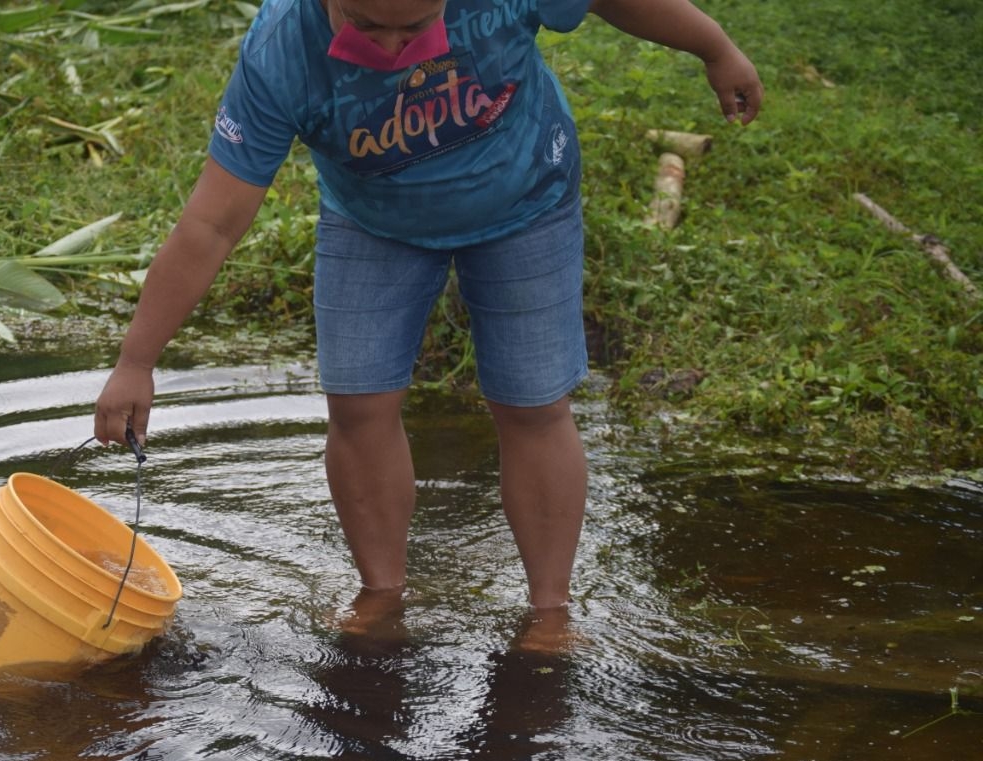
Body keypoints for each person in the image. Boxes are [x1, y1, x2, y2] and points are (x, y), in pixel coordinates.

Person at [94, 0, 762, 623]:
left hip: (526, 198)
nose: (389, 48)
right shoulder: (283, 48)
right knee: (358, 403)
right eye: (365, 24)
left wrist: (715, 47)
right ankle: (382, 596)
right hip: (374, 221)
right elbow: (212, 223)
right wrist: (136, 361)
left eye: (412, 27)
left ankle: (550, 614)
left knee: (533, 403)